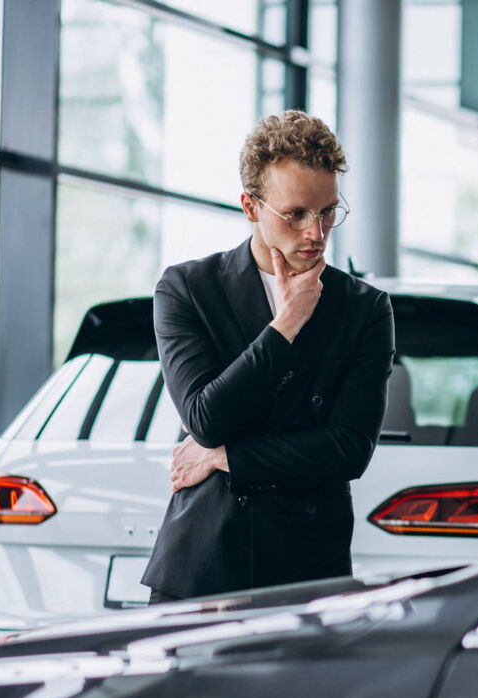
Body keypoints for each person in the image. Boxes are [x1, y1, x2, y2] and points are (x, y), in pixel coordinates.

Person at [141, 110, 395, 603]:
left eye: (327, 212)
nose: (316, 233)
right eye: (296, 214)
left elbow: (348, 449)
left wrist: (227, 457)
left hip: (308, 574)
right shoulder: (188, 289)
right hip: (201, 571)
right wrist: (286, 326)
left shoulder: (364, 308)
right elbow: (205, 417)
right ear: (250, 207)